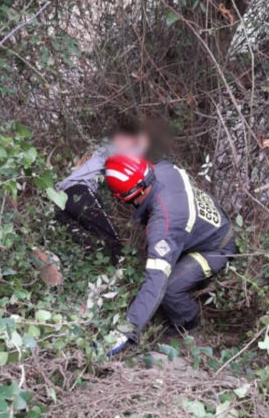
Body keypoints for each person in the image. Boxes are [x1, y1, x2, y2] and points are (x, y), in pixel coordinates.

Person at [104, 154, 237, 356]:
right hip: (211, 224)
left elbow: (156, 283)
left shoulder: (164, 226)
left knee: (169, 288)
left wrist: (127, 329)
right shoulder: (164, 169)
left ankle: (189, 324)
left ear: (130, 195)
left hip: (218, 248)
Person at [55, 127, 150, 265]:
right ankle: (121, 272)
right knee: (113, 240)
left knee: (86, 245)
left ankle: (91, 270)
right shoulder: (113, 149)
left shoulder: (95, 151)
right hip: (78, 191)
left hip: (59, 198)